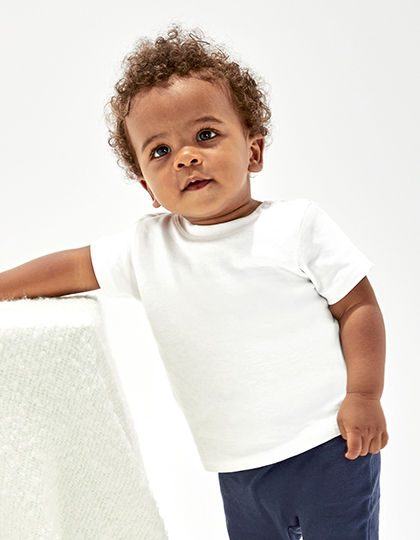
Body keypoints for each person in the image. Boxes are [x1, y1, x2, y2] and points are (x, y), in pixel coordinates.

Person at [0, 26, 388, 539]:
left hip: (330, 445)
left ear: (253, 151)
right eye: (160, 150)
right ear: (148, 187)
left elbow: (358, 308)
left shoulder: (295, 227)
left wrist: (364, 395)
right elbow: (72, 268)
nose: (185, 156)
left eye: (206, 135)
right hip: (237, 465)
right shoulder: (148, 247)